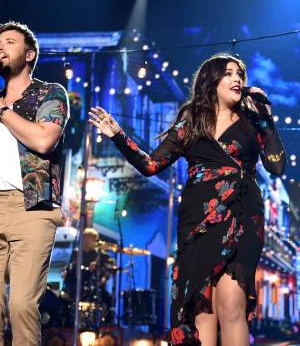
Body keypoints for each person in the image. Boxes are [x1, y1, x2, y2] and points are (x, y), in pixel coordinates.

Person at [89, 53, 286, 346]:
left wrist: (266, 118)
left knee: (232, 304)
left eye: (240, 75)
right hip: (199, 223)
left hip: (243, 216)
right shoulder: (190, 124)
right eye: (229, 73)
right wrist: (119, 136)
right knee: (200, 310)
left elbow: (276, 165)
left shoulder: (251, 123)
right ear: (212, 80)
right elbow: (150, 165)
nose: (237, 79)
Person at [0, 21, 69, 345]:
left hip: (32, 208)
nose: (1, 47)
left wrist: (3, 110)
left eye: (10, 41)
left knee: (22, 305)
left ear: (30, 54)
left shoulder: (50, 93)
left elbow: (43, 140)